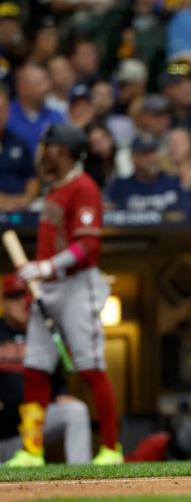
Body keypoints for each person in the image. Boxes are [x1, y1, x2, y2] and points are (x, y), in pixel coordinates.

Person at [5, 124, 122, 467]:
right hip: (49, 285)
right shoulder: (54, 188)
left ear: (68, 151)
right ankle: (31, 449)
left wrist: (46, 268)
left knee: (90, 367)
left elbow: (88, 245)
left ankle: (112, 449)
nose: (45, 154)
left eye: (51, 147)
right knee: (36, 367)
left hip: (76, 285)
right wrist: (41, 274)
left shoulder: (83, 187)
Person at [0, 274, 92, 464]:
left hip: (37, 423)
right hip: (4, 427)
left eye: (25, 297)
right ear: (3, 301)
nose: (21, 303)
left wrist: (62, 393)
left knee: (76, 410)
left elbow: (57, 377)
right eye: (14, 297)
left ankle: (83, 474)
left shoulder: (45, 331)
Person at [105, 136, 190, 211]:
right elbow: (109, 214)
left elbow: (188, 213)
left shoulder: (173, 182)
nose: (152, 158)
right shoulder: (120, 186)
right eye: (146, 154)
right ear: (134, 158)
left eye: (154, 152)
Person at [0, 85, 38, 212]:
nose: (1, 114)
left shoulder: (19, 142)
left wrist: (26, 198)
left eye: (3, 109)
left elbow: (32, 178)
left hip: (20, 208)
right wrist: (4, 201)